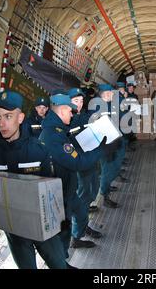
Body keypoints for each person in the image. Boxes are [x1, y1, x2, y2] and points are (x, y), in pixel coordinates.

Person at [0, 90, 67, 269]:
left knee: (59, 265)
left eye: (8, 116)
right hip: (14, 230)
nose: (2, 123)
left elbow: (50, 188)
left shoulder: (38, 150)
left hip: (42, 226)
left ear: (20, 118)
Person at [39, 91, 110, 254]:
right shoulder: (54, 136)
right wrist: (101, 149)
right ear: (63, 110)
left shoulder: (57, 130)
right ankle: (65, 254)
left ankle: (78, 235)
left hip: (66, 188)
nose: (72, 113)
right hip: (60, 193)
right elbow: (78, 162)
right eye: (70, 110)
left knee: (80, 211)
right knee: (64, 229)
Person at [67, 87, 103, 241]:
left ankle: (83, 223)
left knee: (93, 190)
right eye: (76, 101)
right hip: (79, 164)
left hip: (91, 160)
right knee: (82, 196)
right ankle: (76, 236)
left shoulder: (84, 116)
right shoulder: (67, 121)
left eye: (81, 101)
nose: (79, 104)